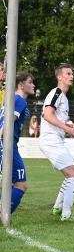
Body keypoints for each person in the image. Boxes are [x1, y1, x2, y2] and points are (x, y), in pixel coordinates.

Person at [39, 63, 74, 222]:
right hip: (51, 141)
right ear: (59, 77)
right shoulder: (56, 93)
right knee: (73, 174)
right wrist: (68, 129)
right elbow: (47, 115)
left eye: (72, 74)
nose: (72, 76)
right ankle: (66, 214)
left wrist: (68, 126)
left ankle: (57, 208)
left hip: (56, 140)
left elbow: (55, 118)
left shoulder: (63, 97)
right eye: (68, 74)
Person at [0, 72, 35, 213]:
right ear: (21, 85)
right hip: (7, 145)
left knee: (10, 184)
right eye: (30, 82)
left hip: (9, 145)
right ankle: (3, 215)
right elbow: (8, 122)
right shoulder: (20, 100)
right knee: (21, 185)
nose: (33, 85)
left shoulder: (10, 99)